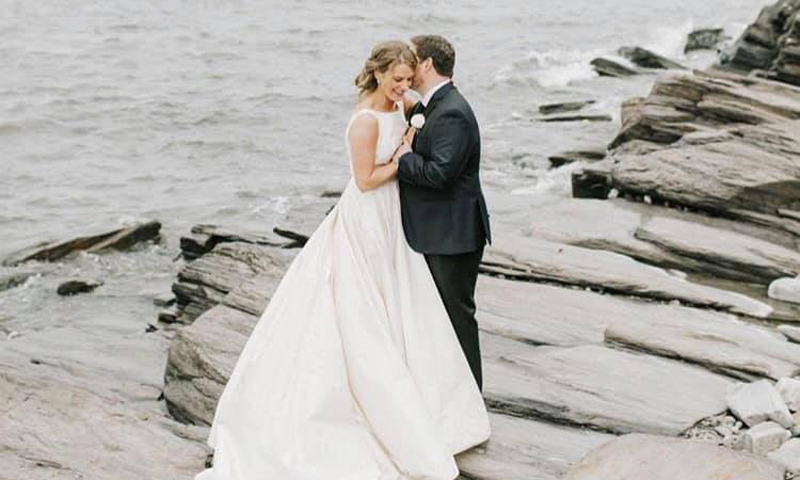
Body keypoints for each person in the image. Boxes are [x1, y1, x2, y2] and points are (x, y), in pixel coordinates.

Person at [193, 40, 490, 480]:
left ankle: (428, 396)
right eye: (397, 81)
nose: (404, 89)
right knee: (358, 306)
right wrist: (402, 156)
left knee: (403, 304)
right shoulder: (364, 121)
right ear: (377, 74)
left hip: (395, 219)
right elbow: (366, 179)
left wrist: (406, 136)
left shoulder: (405, 105)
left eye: (409, 81)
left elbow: (418, 129)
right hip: (367, 216)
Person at [392, 35, 491, 391]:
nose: (405, 66)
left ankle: (470, 399)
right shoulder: (430, 105)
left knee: (457, 319)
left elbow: (440, 173)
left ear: (427, 65)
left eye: (412, 61)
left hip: (454, 236)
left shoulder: (452, 112)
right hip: (439, 231)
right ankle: (446, 394)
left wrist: (404, 159)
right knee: (438, 319)